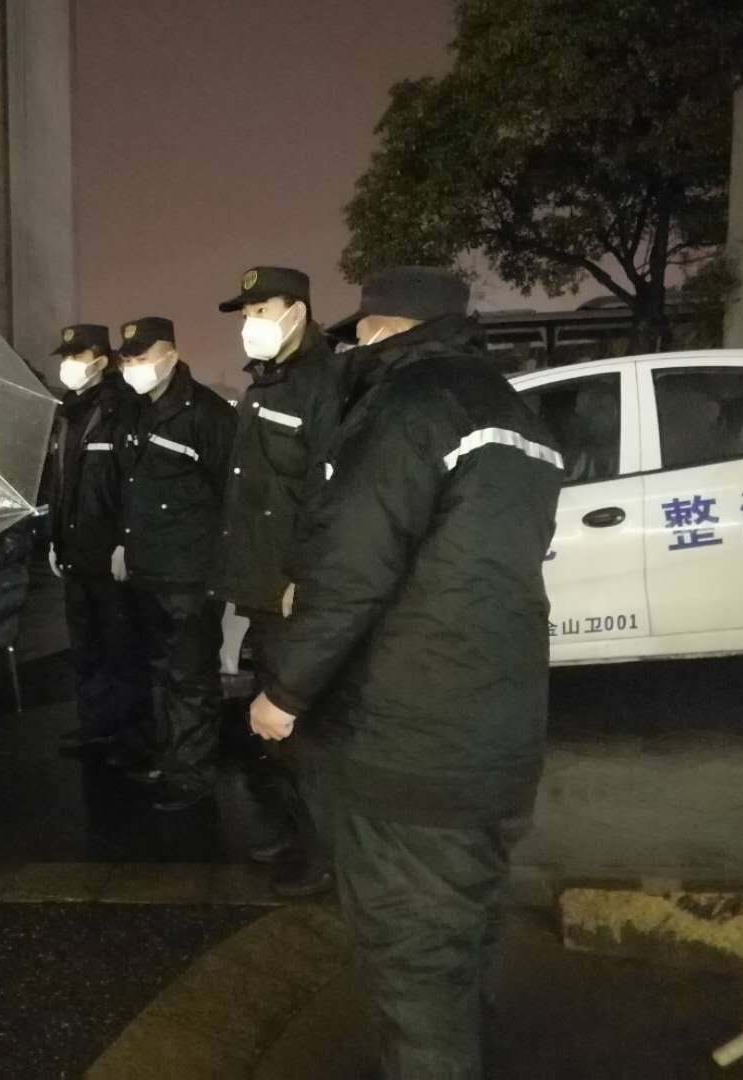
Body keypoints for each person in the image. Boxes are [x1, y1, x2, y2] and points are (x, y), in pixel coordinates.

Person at [249, 267, 563, 1078]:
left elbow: (353, 567)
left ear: (382, 329)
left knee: (415, 963)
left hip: (409, 743)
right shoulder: (512, 410)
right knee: (464, 939)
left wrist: (284, 691)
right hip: (498, 732)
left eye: (359, 332)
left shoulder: (407, 407)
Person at [212, 266, 342, 898]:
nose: (250, 324)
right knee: (278, 731)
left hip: (296, 590)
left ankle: (325, 855)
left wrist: (300, 573)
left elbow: (330, 493)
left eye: (261, 310)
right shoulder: (263, 385)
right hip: (263, 586)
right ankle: (299, 834)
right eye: (245, 313)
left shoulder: (325, 383)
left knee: (306, 726)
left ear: (298, 311)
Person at [114, 317, 236, 812]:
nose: (133, 367)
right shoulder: (138, 410)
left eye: (142, 357)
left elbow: (231, 492)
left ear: (170, 353)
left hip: (191, 572)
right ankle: (170, 758)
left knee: (191, 675)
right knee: (161, 670)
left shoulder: (207, 413)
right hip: (149, 568)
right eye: (127, 359)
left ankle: (193, 773)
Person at [46, 324, 148, 761]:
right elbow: (61, 483)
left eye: (77, 355)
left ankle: (128, 734)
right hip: (75, 550)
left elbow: (133, 480)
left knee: (120, 646)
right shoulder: (68, 413)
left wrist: (126, 540)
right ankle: (95, 724)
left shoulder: (120, 408)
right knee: (86, 646)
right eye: (65, 356)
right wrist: (55, 540)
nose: (68, 365)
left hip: (108, 553)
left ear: (101, 360)